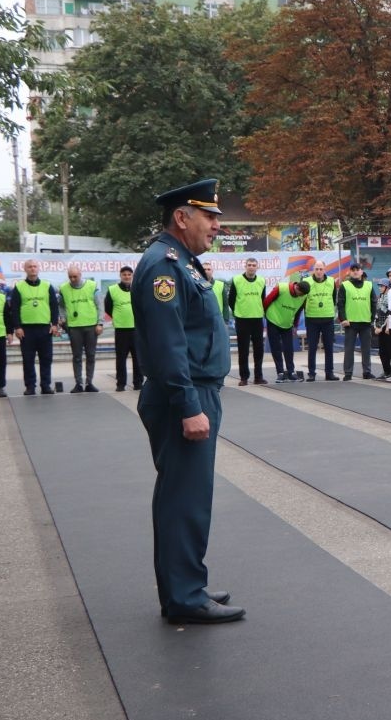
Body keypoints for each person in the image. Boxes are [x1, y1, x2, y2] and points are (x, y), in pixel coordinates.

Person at [132, 178, 242, 624]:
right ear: (182, 217)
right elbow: (168, 345)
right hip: (186, 395)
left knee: (191, 496)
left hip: (197, 391)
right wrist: (189, 406)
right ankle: (183, 597)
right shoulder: (164, 265)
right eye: (210, 216)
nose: (216, 226)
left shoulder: (185, 263)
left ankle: (188, 582)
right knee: (184, 499)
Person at [8, 258, 61, 395]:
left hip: (45, 328)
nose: (32, 269)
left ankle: (46, 386)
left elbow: (54, 306)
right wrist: (17, 327)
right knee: (28, 359)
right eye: (30, 267)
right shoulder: (19, 287)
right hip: (26, 330)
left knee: (46, 359)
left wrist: (54, 324)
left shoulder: (47, 285)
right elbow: (14, 308)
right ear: (25, 269)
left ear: (38, 269)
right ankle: (30, 386)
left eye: (35, 266)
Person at [59, 265, 103, 392]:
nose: (73, 279)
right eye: (70, 277)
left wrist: (100, 323)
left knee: (91, 355)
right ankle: (78, 383)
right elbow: (61, 306)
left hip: (91, 326)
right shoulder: (63, 288)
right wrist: (63, 318)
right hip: (74, 327)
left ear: (80, 274)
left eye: (75, 276)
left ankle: (89, 383)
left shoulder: (92, 286)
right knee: (76, 356)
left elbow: (100, 305)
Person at [228, 257, 268, 386]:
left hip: (257, 319)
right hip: (242, 319)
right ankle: (244, 377)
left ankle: (258, 377)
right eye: (249, 265)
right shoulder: (237, 280)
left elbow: (263, 299)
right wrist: (238, 312)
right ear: (245, 266)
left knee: (259, 350)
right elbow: (231, 300)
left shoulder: (261, 280)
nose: (251, 267)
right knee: (243, 350)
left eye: (253, 265)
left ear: (257, 267)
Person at [264, 276, 310, 382]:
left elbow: (298, 311)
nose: (301, 296)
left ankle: (291, 372)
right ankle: (280, 372)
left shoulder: (303, 296)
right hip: (273, 321)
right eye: (301, 293)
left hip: (287, 324)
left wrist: (295, 326)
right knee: (276, 348)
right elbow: (267, 301)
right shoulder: (281, 288)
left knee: (289, 349)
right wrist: (266, 318)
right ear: (297, 287)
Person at [104, 266, 143, 392]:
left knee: (138, 358)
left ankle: (138, 383)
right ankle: (121, 384)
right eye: (124, 274)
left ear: (132, 276)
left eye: (129, 274)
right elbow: (108, 308)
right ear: (120, 276)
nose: (127, 276)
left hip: (136, 329)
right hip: (121, 330)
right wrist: (118, 317)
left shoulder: (138, 289)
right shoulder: (112, 290)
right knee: (121, 359)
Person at [337, 262, 375, 379]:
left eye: (357, 269)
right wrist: (343, 319)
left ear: (361, 271)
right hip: (350, 323)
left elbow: (374, 303)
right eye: (352, 269)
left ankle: (367, 372)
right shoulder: (345, 285)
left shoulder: (369, 285)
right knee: (349, 350)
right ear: (350, 272)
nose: (355, 271)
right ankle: (348, 373)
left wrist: (372, 319)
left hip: (365, 322)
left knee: (366, 350)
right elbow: (340, 304)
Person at [302, 260, 337, 381]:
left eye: (321, 269)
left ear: (325, 269)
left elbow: (333, 298)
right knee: (312, 348)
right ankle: (311, 373)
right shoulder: (306, 282)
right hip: (312, 319)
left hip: (328, 319)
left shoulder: (332, 281)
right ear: (313, 270)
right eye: (316, 269)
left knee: (329, 347)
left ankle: (329, 373)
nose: (318, 271)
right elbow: (303, 301)